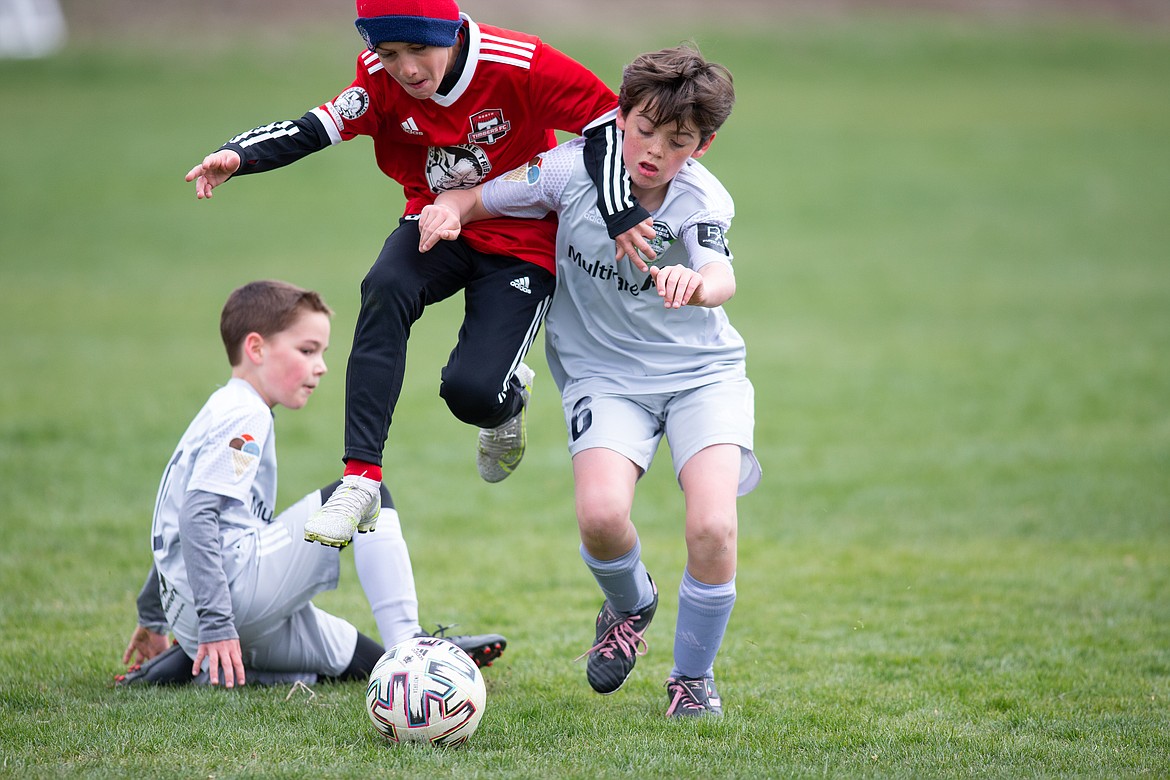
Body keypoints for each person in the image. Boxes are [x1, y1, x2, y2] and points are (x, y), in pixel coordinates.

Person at [184, 0, 658, 550]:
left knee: (471, 392)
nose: (406, 70)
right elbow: (317, 125)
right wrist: (239, 155)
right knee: (385, 285)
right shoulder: (377, 79)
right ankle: (360, 478)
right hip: (435, 223)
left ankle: (505, 403)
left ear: (452, 34)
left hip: (522, 242)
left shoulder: (519, 63)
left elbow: (606, 119)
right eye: (388, 53)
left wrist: (621, 210)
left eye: (418, 50)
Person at [418, 44, 758, 718]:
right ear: (620, 115)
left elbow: (722, 275)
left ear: (704, 145)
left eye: (678, 140)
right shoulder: (570, 169)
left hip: (701, 378)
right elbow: (482, 196)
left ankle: (691, 680)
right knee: (602, 518)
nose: (654, 151)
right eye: (643, 130)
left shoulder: (701, 198)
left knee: (714, 527)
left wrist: (696, 284)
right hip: (604, 378)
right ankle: (632, 607)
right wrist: (451, 209)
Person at [116, 280, 505, 688]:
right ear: (256, 349)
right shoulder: (244, 415)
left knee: (365, 661)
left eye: (321, 353)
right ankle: (412, 648)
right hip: (229, 603)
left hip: (201, 608)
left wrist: (155, 616)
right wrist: (216, 625)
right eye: (307, 350)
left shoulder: (221, 407)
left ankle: (184, 668)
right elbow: (196, 516)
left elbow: (173, 524)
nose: (320, 366)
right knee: (362, 494)